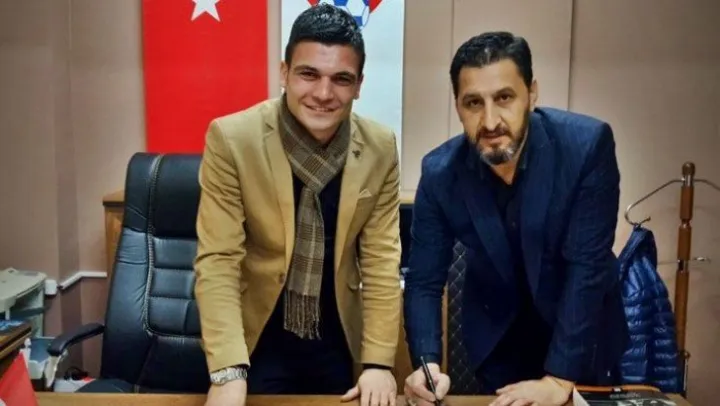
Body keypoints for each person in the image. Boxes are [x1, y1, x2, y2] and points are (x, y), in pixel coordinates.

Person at [402, 31, 629, 406]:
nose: (490, 121)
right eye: (473, 103)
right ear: (457, 106)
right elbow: (424, 280)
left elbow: (587, 268)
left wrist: (558, 379)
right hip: (499, 340)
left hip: (582, 341)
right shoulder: (440, 172)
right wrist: (426, 365)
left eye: (504, 98)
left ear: (532, 93)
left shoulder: (586, 147)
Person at [194, 4, 402, 406]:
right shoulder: (233, 140)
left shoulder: (380, 147)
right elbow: (219, 260)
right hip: (258, 339)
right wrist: (227, 372)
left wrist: (378, 362)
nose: (323, 94)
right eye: (309, 74)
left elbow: (381, 260)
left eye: (341, 79)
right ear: (284, 73)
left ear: (359, 85)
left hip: (340, 339)